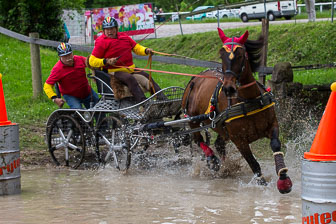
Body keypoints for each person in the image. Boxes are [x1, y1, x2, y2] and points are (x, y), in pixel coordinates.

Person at [89, 16, 165, 103]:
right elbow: (92, 60)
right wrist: (106, 61)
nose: (110, 31)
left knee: (147, 77)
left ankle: (162, 100)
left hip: (130, 68)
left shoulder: (124, 36)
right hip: (114, 70)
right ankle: (144, 103)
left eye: (112, 29)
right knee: (130, 79)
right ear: (104, 30)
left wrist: (146, 50)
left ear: (116, 29)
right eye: (107, 29)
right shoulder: (101, 41)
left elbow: (136, 47)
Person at [44, 42, 99, 109]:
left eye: (69, 55)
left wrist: (97, 67)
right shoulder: (57, 69)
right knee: (78, 110)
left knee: (98, 108)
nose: (68, 58)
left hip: (86, 91)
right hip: (71, 96)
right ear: (60, 57)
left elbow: (90, 62)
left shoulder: (79, 59)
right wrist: (54, 98)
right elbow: (47, 85)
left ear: (72, 53)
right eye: (64, 56)